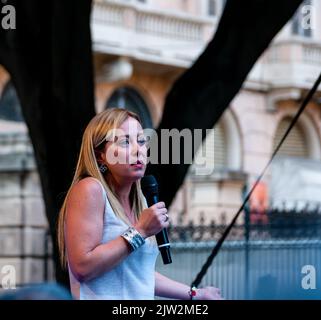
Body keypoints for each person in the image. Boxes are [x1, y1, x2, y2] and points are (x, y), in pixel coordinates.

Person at [57, 108, 222, 300]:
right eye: (125, 142)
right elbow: (83, 268)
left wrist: (196, 294)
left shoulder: (141, 201)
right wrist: (140, 231)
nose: (138, 150)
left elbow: (138, 274)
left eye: (142, 141)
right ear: (101, 154)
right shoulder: (90, 189)